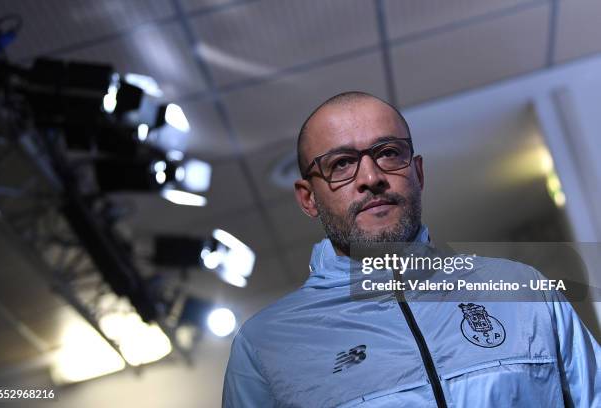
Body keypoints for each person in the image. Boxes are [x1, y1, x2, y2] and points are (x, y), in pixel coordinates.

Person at [222, 91, 600, 407]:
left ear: (418, 173)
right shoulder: (265, 346)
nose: (371, 178)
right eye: (341, 164)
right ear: (308, 199)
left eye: (388, 153)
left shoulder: (520, 289)